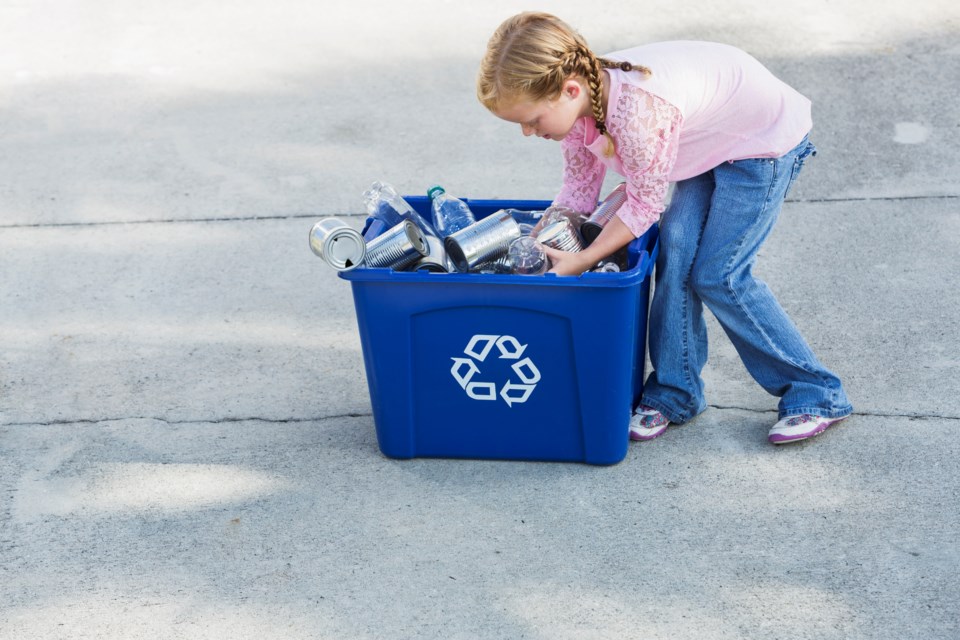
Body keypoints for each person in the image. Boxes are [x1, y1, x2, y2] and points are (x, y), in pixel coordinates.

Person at [476, 12, 852, 445]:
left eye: (532, 120)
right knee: (676, 254)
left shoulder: (637, 115)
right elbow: (579, 192)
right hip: (708, 139)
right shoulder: (579, 104)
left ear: (569, 90)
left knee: (719, 274)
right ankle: (676, 393)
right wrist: (541, 239)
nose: (527, 132)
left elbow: (643, 207)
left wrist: (579, 261)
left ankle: (817, 393)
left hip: (760, 143)